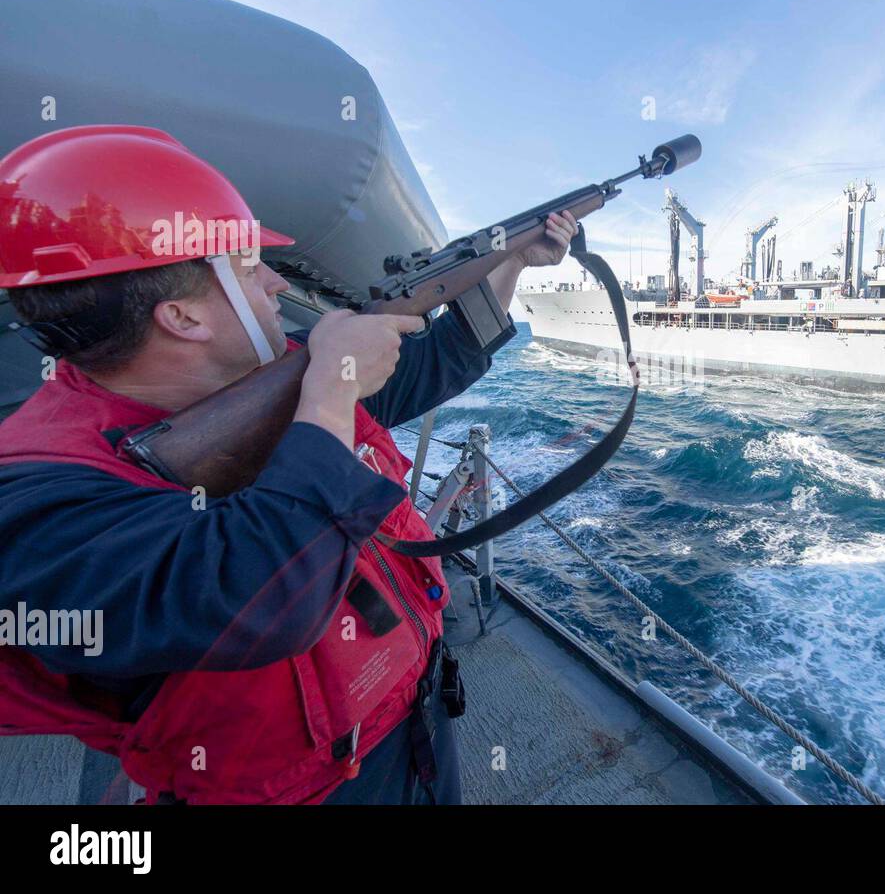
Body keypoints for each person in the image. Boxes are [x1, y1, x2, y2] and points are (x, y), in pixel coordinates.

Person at [0, 125, 575, 804]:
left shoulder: (272, 370)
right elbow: (262, 598)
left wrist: (509, 261)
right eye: (247, 268)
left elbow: (430, 365)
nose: (274, 281)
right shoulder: (37, 496)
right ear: (182, 317)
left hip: (412, 720)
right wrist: (333, 387)